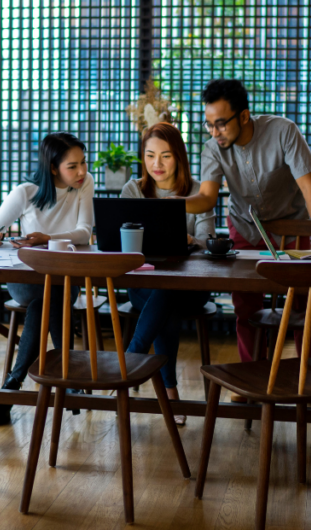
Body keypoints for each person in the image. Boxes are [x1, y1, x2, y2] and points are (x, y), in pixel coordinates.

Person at [179, 79, 311, 383]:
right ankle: (252, 377)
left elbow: (308, 187)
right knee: (246, 305)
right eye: (209, 124)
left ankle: (310, 376)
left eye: (220, 124)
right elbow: (208, 197)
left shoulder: (283, 130)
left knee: (302, 305)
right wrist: (172, 205)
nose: (214, 132)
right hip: (246, 228)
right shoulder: (213, 149)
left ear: (244, 116)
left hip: (292, 225)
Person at [0, 132, 93, 426]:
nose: (82, 171)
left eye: (83, 162)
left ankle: (10, 386)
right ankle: (67, 379)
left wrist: (48, 238)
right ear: (53, 168)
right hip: (26, 279)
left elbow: (85, 233)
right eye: (73, 166)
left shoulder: (84, 185)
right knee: (48, 296)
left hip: (64, 279)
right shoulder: (26, 192)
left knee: (48, 299)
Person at [120, 123, 213, 424]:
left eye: (165, 156)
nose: (156, 164)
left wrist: (191, 241)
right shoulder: (133, 190)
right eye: (149, 156)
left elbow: (208, 240)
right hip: (144, 286)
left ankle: (133, 358)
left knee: (169, 288)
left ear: (180, 157)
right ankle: (170, 392)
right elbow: (120, 243)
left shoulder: (199, 191)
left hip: (191, 287)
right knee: (164, 291)